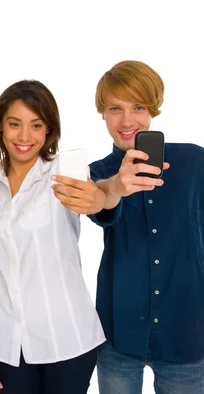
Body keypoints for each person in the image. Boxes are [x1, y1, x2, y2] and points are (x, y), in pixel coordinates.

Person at [0, 80, 106, 394]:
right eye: (14, 124)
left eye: (36, 125)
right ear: (0, 128)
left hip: (68, 341)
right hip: (7, 346)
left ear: (49, 131)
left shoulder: (66, 173)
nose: (24, 136)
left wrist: (102, 195)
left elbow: (102, 195)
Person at [87, 60, 204, 393]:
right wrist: (115, 188)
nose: (126, 121)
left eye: (138, 106)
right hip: (118, 332)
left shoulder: (196, 163)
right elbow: (99, 206)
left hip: (187, 331)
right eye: (115, 108)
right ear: (103, 113)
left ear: (153, 108)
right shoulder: (96, 174)